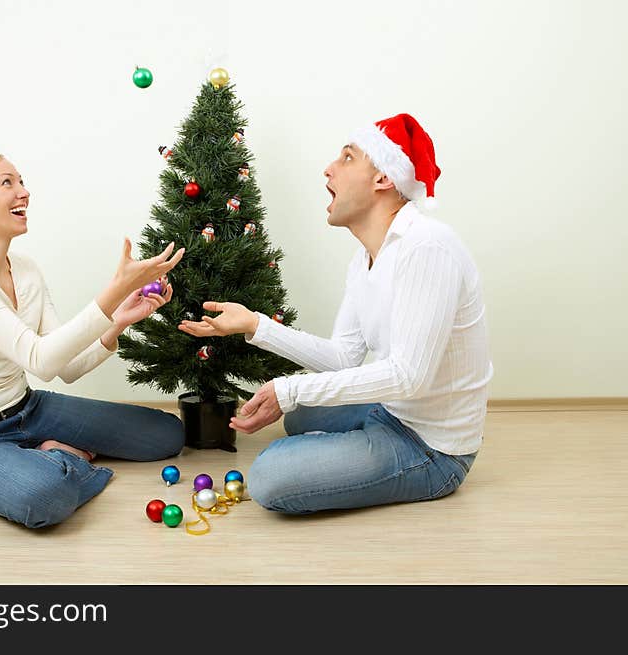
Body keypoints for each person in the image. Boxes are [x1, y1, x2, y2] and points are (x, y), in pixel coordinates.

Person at [179, 114, 493, 514]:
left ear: (383, 178)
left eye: (347, 158)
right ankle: (351, 448)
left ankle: (354, 456)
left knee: (269, 477)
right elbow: (344, 358)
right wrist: (255, 325)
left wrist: (288, 389)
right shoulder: (366, 257)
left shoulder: (427, 247)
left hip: (432, 448)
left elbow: (409, 377)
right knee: (300, 415)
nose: (328, 168)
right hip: (391, 408)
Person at [0, 153, 186, 528]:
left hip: (26, 408)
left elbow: (65, 368)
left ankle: (42, 454)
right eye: (7, 183)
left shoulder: (26, 269)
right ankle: (59, 457)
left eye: (22, 182)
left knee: (166, 435)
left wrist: (117, 321)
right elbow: (39, 360)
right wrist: (113, 293)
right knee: (46, 499)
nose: (24, 193)